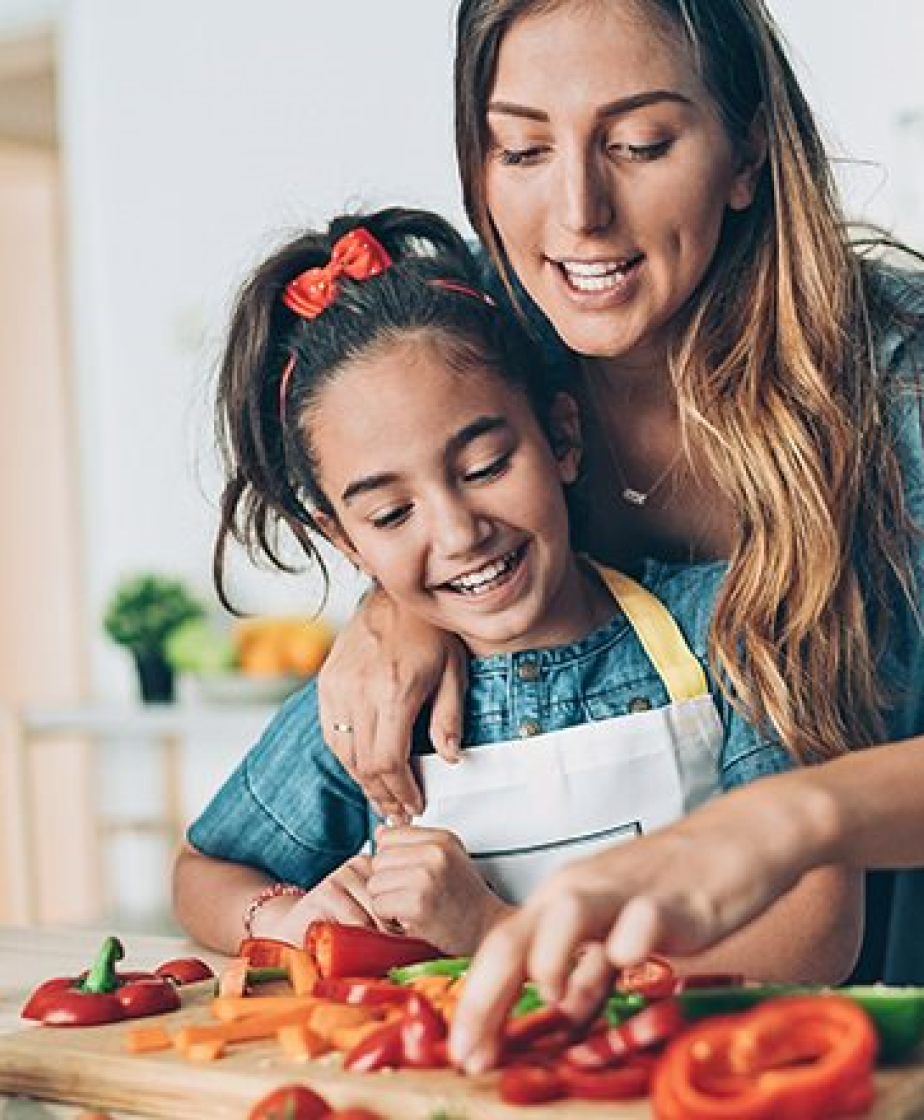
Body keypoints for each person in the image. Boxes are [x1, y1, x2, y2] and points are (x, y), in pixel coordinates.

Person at [310, 0, 924, 1069]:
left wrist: (791, 819)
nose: (579, 212)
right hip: (591, 1067)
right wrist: (391, 602)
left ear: (747, 148)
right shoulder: (483, 364)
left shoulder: (884, 367)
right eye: (523, 149)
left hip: (902, 1059)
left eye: (639, 144)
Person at [173, 206, 859, 988]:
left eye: (486, 467)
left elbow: (817, 931)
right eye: (392, 515)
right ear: (345, 540)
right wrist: (284, 919)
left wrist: (498, 931)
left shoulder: (726, 627)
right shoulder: (367, 712)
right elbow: (202, 870)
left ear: (561, 438)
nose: (460, 533)